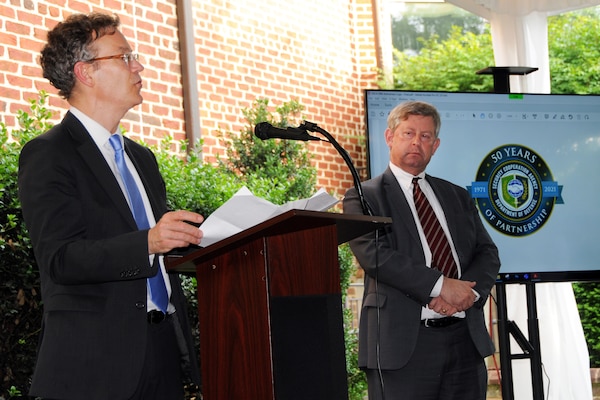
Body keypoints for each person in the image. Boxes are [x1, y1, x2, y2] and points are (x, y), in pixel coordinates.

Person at [18, 13, 204, 400]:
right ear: (86, 72)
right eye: (124, 56)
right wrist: (149, 242)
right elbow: (61, 258)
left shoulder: (142, 159)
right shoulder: (48, 154)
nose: (138, 65)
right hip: (94, 369)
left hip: (163, 354)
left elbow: (157, 252)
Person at [343, 100, 501, 400]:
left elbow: (488, 252)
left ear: (436, 145)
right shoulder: (364, 197)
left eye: (426, 136)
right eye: (408, 133)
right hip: (403, 346)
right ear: (390, 137)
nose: (417, 142)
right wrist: (441, 287)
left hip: (465, 340)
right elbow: (374, 255)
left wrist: (467, 294)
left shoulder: (456, 195)